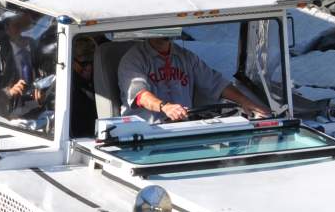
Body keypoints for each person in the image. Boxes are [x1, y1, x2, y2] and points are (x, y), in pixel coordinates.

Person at [118, 34, 269, 123]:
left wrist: (246, 102)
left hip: (184, 129)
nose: (162, 35)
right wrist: (165, 107)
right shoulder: (133, 59)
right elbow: (140, 96)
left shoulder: (186, 57)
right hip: (145, 134)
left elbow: (216, 83)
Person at [70, 36, 97, 138]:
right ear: (72, 62)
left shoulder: (102, 77)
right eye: (84, 63)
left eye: (92, 62)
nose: (89, 67)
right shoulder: (66, 85)